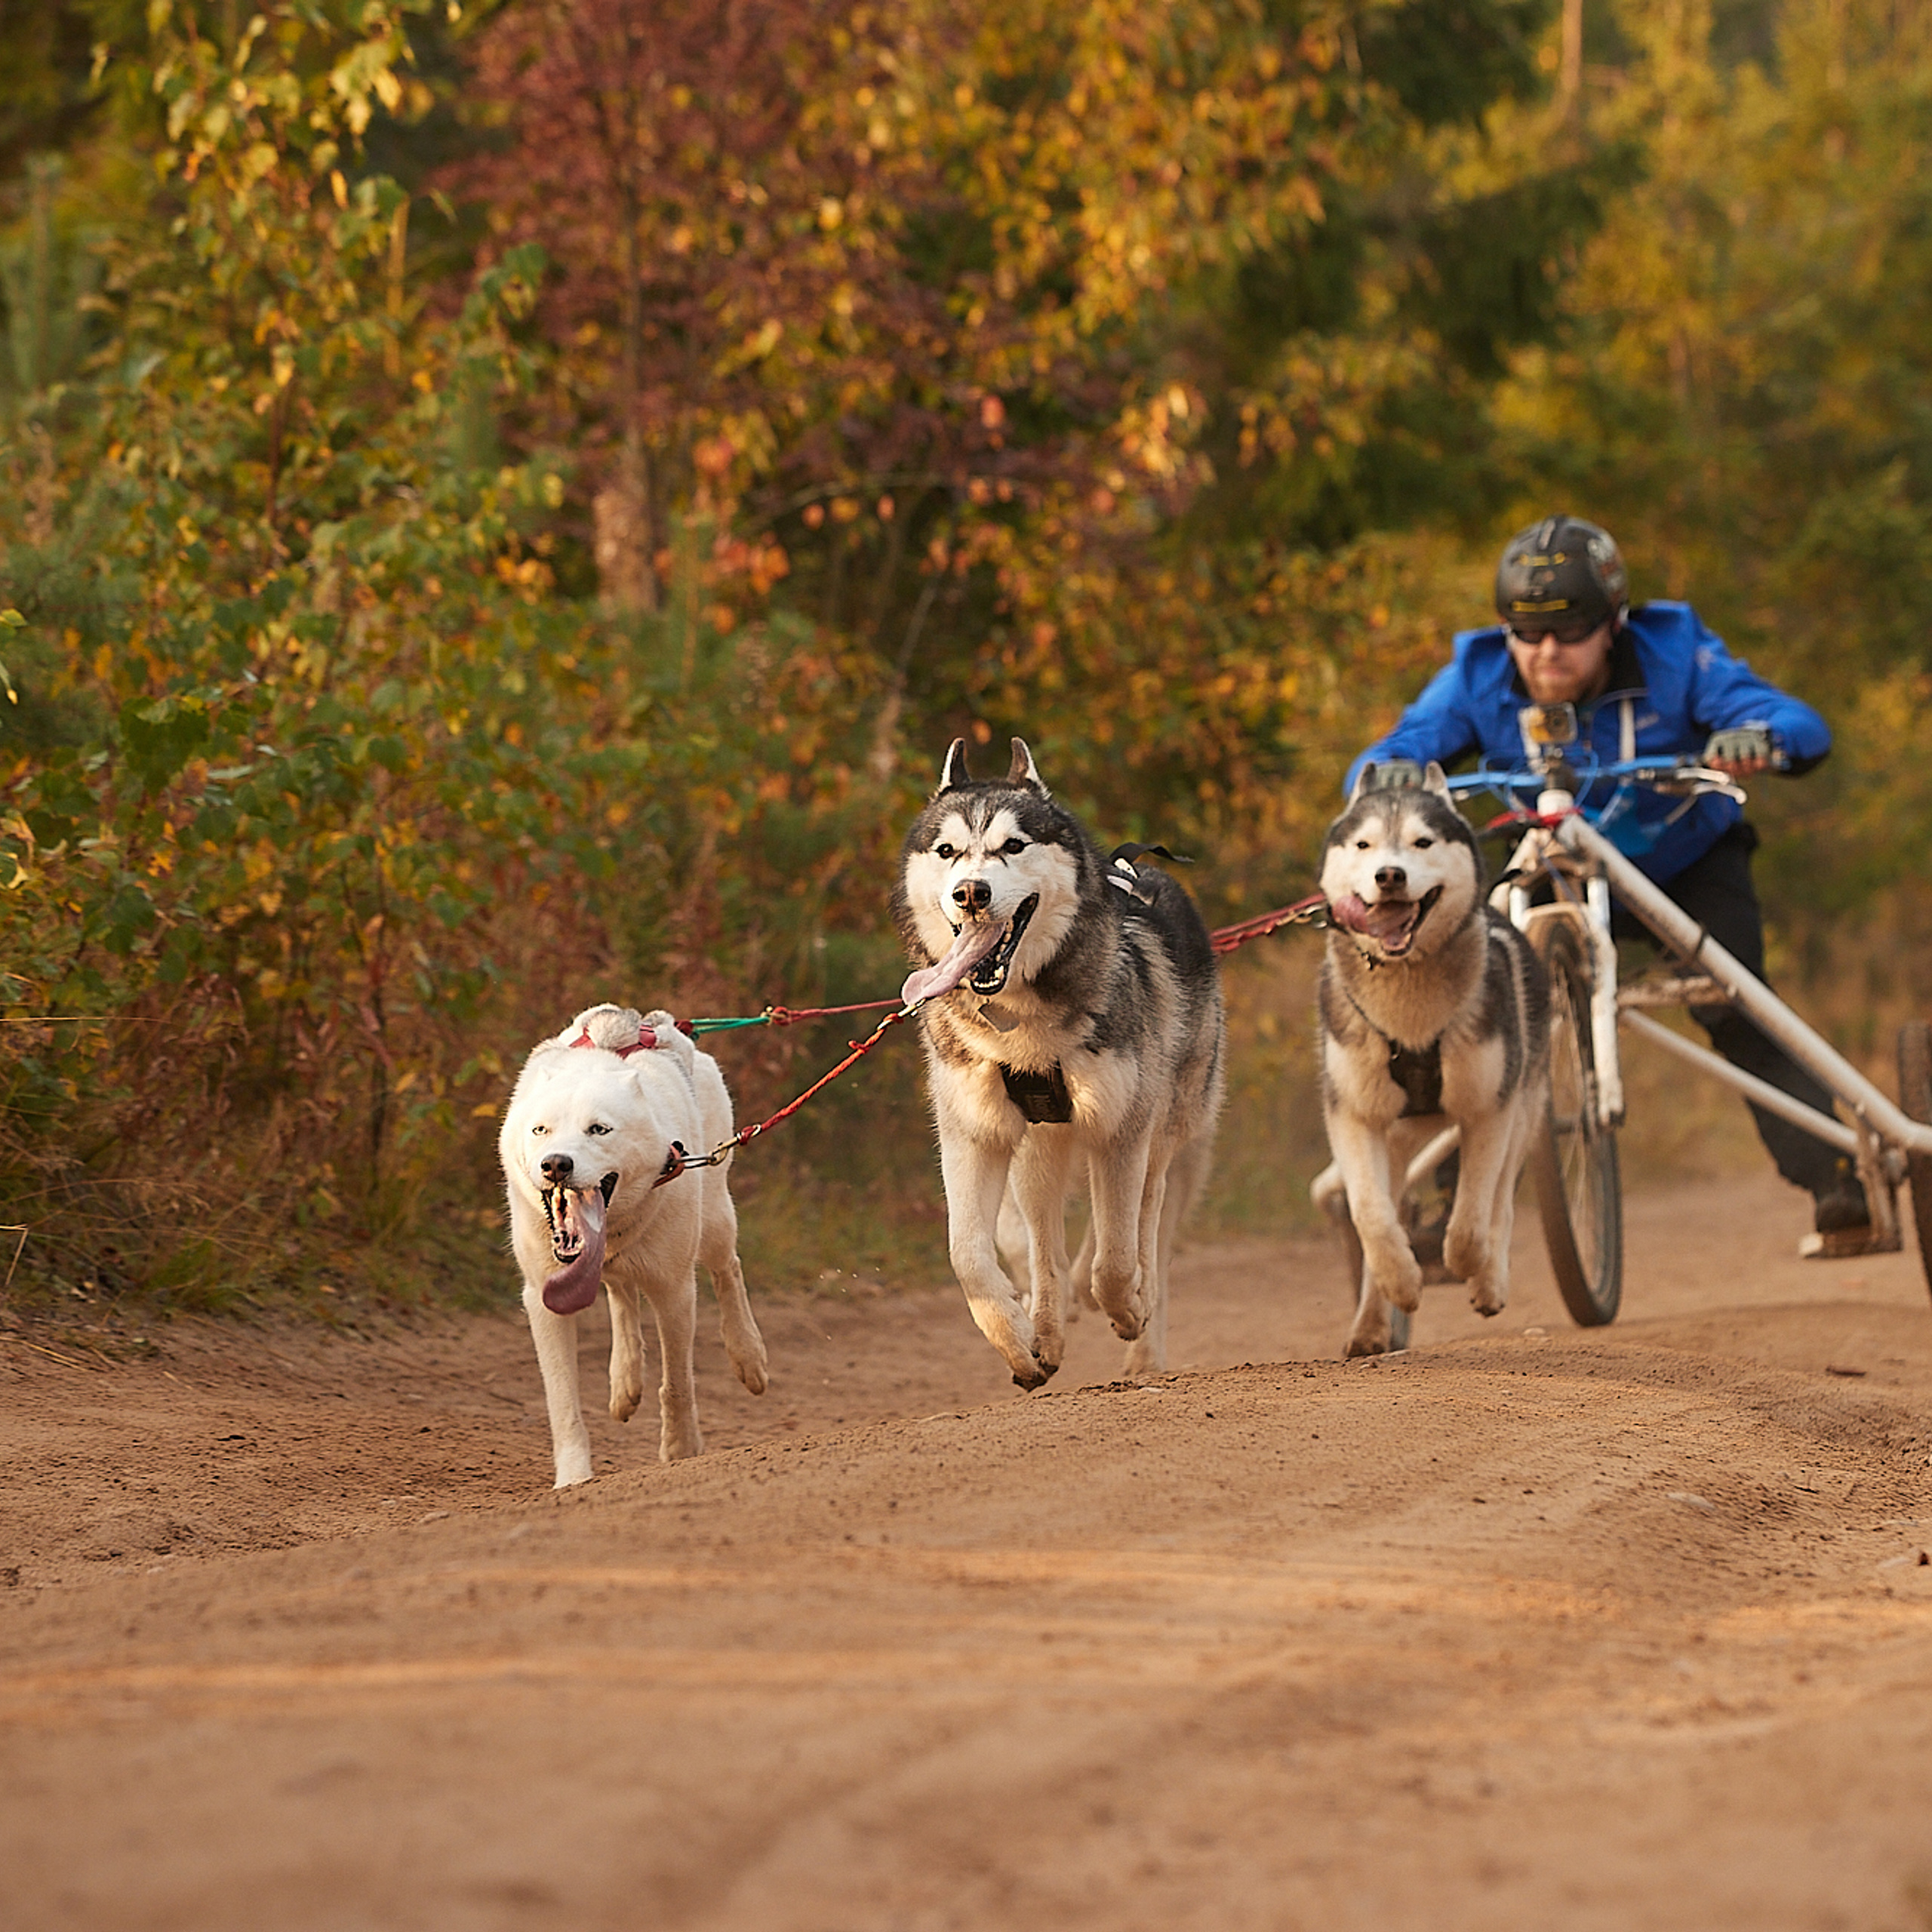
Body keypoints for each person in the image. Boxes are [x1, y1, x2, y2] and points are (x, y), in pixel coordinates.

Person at [1346, 512, 1872, 1255]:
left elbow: (1791, 719)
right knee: (1470, 1009)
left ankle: (1836, 1176)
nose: (1546, 651)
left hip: (1686, 862)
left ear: (1613, 623)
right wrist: (1391, 770)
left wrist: (1759, 736)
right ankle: (1444, 1206)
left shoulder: (1674, 650)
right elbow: (1391, 751)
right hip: (1550, 862)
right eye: (1526, 633)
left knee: (1736, 1005)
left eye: (1570, 631)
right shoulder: (1475, 673)